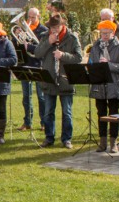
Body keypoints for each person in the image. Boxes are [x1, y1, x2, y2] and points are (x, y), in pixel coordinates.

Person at [34, 13, 83, 149]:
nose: (54, 29)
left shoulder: (72, 38)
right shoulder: (45, 36)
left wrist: (63, 55)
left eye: (56, 27)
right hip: (49, 79)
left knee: (66, 112)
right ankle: (49, 138)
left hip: (65, 80)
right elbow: (37, 53)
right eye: (52, 27)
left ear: (62, 25)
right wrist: (48, 43)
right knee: (48, 111)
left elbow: (79, 57)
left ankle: (66, 139)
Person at [89, 20, 119, 153]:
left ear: (113, 33)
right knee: (101, 114)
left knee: (114, 114)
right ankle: (102, 143)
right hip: (100, 85)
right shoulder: (95, 47)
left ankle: (113, 143)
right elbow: (92, 64)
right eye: (102, 33)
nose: (104, 35)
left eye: (107, 33)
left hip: (114, 85)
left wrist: (109, 64)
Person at [17, 7, 48, 131]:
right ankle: (27, 122)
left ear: (38, 16)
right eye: (28, 17)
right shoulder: (24, 29)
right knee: (26, 96)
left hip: (38, 64)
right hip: (25, 64)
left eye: (33, 17)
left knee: (41, 96)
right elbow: (17, 46)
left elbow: (42, 49)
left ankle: (44, 122)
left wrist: (28, 46)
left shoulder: (44, 31)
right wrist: (18, 36)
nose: (30, 19)